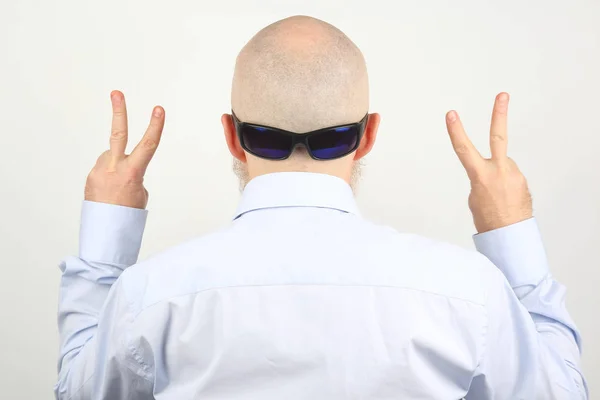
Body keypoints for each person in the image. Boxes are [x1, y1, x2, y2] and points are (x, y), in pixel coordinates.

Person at [54, 15, 587, 400]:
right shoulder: (469, 295)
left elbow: (76, 391)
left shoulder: (150, 297)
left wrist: (107, 236)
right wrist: (511, 232)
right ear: (369, 133)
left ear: (231, 136)